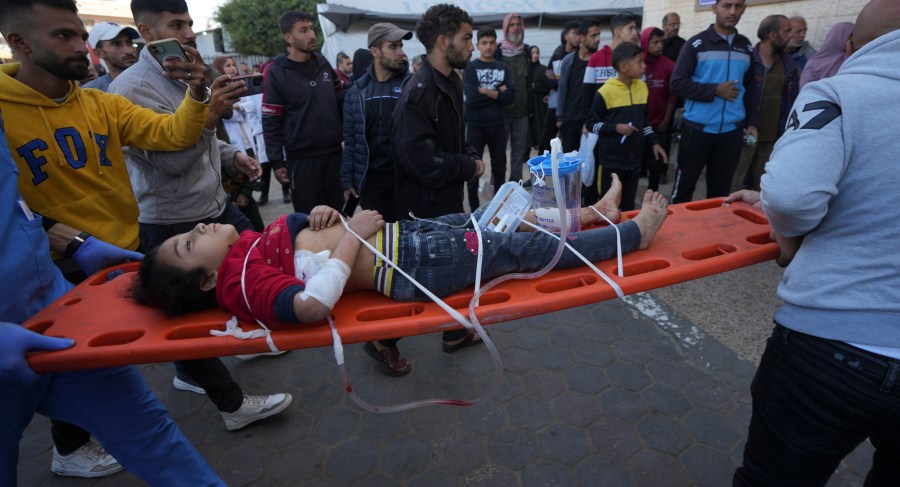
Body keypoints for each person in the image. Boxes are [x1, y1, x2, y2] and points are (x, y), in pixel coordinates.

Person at [0, 0, 224, 486]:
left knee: (152, 434)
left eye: (82, 34)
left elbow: (170, 135)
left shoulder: (100, 102)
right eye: (65, 35)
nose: (84, 46)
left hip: (89, 283)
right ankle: (71, 451)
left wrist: (199, 95)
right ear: (17, 42)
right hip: (44, 293)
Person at [730, 0, 900, 486]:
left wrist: (787, 234)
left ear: (852, 48)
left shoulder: (839, 92)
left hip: (834, 348)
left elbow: (794, 198)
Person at [111, 0, 290, 432]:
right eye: (177, 26)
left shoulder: (186, 73)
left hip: (215, 204)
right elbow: (173, 161)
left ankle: (224, 347)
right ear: (146, 31)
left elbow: (207, 138)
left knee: (246, 268)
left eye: (189, 24)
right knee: (186, 321)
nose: (189, 34)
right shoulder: (129, 90)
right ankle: (231, 405)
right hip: (173, 221)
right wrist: (208, 113)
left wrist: (233, 156)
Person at [132, 181, 670, 329]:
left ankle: (592, 217)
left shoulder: (244, 249)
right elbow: (309, 306)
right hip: (411, 262)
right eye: (187, 242)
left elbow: (297, 236)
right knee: (516, 247)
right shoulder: (239, 285)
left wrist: (318, 215)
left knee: (496, 217)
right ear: (205, 282)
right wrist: (353, 236)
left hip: (407, 244)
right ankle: (631, 237)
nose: (198, 227)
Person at [391, 3, 485, 369]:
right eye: (467, 38)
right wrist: (468, 166)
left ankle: (453, 331)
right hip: (422, 206)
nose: (473, 46)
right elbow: (422, 162)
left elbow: (458, 138)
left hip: (446, 198)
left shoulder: (453, 82)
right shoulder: (418, 92)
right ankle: (382, 340)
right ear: (444, 42)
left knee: (454, 270)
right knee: (418, 282)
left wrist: (471, 154)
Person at [669, 0, 759, 204]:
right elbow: (677, 83)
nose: (732, 11)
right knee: (683, 191)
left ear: (744, 9)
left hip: (731, 133)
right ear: (714, 8)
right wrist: (714, 90)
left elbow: (751, 90)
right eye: (726, 5)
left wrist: (752, 122)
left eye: (738, 6)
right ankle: (675, 234)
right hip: (697, 130)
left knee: (720, 194)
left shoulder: (746, 47)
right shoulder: (696, 44)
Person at [262, 11, 345, 213]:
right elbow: (271, 119)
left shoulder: (322, 63)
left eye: (312, 29)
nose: (312, 35)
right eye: (304, 30)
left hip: (335, 155)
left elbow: (340, 98)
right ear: (288, 38)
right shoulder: (276, 71)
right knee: (310, 221)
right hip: (301, 161)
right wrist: (276, 161)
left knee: (340, 217)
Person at [341, 22, 412, 221]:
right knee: (382, 242)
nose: (400, 52)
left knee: (407, 241)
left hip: (406, 181)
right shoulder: (357, 92)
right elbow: (351, 141)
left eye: (401, 46)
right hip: (371, 184)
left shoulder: (412, 85)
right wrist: (347, 180)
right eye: (393, 46)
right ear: (375, 51)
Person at [586, 42, 667, 211]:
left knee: (629, 207)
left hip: (634, 163)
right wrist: (615, 127)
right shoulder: (605, 92)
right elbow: (591, 125)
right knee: (608, 207)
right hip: (610, 163)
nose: (644, 66)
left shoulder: (642, 88)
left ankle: (627, 236)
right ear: (623, 67)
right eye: (639, 62)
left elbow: (644, 123)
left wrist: (654, 142)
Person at [731, 15, 799, 192]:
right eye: (787, 30)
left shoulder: (789, 66)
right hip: (747, 132)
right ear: (773, 35)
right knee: (735, 179)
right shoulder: (746, 60)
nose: (791, 35)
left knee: (761, 184)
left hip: (771, 136)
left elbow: (791, 101)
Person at [210, 56, 264, 232]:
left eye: (233, 65)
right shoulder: (213, 114)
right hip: (226, 163)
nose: (232, 68)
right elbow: (230, 114)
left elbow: (249, 108)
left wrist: (246, 193)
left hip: (245, 146)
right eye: (227, 65)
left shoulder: (242, 88)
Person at [463, 27, 513, 209]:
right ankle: (475, 211)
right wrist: (497, 92)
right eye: (484, 43)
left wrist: (484, 90)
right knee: (473, 169)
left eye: (492, 42)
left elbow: (510, 97)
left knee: (500, 169)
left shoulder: (503, 68)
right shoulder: (470, 67)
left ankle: (499, 209)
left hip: (498, 125)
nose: (488, 46)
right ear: (477, 45)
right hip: (476, 125)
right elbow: (472, 99)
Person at [494, 13, 534, 183]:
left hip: (522, 111)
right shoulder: (497, 51)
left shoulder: (526, 51)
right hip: (501, 111)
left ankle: (514, 184)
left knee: (518, 150)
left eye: (518, 24)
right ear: (505, 28)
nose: (516, 28)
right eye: (512, 25)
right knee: (499, 149)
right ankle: (498, 185)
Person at [555, 18, 602, 154]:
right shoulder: (568, 61)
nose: (598, 39)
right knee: (570, 164)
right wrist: (560, 117)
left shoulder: (600, 61)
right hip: (570, 121)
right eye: (593, 35)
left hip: (591, 123)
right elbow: (562, 89)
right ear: (581, 38)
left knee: (588, 166)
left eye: (599, 35)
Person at [640, 27, 676, 191]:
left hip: (659, 120)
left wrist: (666, 120)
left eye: (661, 42)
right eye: (655, 42)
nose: (659, 45)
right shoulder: (638, 64)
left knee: (656, 159)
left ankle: (653, 189)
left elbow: (672, 96)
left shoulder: (669, 65)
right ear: (645, 43)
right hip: (640, 120)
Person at [537, 21, 580, 154]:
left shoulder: (580, 58)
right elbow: (544, 81)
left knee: (569, 147)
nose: (578, 37)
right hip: (553, 106)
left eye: (580, 34)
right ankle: (540, 174)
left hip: (571, 108)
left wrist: (556, 79)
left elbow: (575, 85)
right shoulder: (556, 56)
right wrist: (562, 82)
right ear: (566, 36)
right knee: (545, 143)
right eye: (575, 33)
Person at [82, 22, 139, 92]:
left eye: (129, 42)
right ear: (99, 53)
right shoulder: (91, 93)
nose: (129, 51)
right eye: (116, 44)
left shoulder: (154, 78)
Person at [799, 21, 854, 88]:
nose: (854, 40)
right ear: (839, 36)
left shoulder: (852, 60)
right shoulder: (815, 63)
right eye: (851, 35)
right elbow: (805, 89)